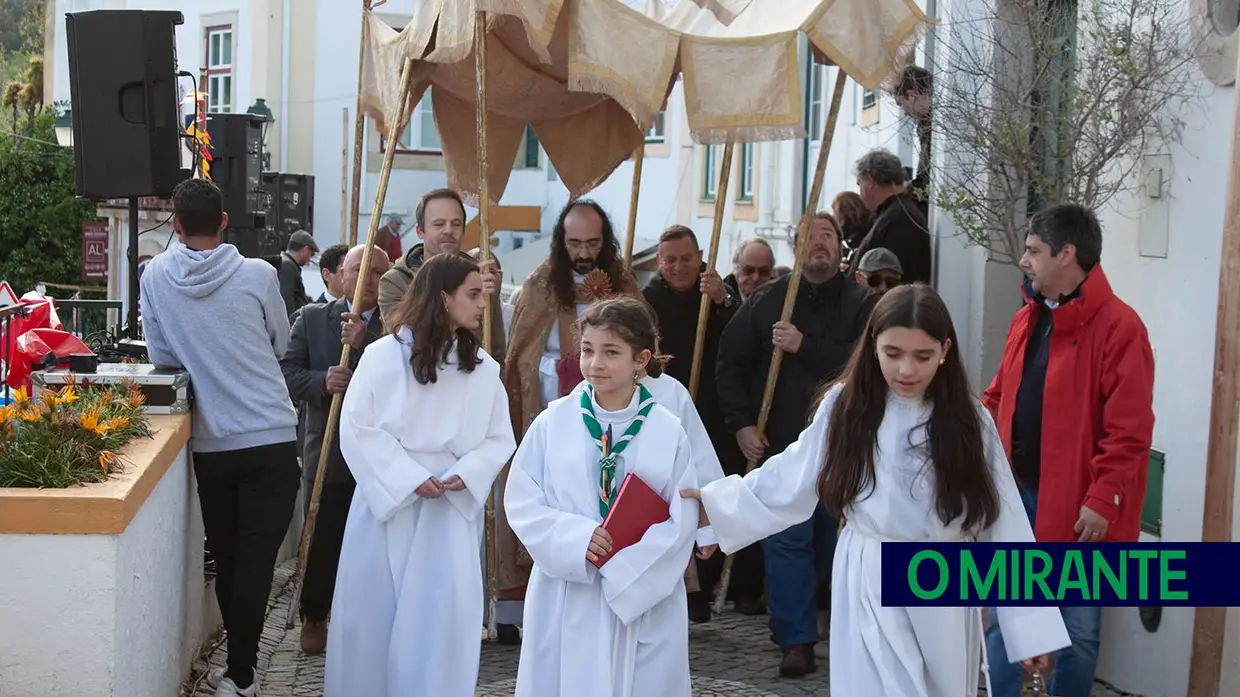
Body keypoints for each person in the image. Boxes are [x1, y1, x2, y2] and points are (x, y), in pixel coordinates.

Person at [685, 284, 1071, 695]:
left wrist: (1034, 629)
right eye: (893, 354)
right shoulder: (847, 406)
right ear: (873, 346)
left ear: (944, 350)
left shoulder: (969, 420)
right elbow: (791, 476)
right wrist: (715, 507)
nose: (906, 370)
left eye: (922, 356)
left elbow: (1004, 520)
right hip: (870, 572)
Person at [324, 252, 516, 697]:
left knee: (441, 622)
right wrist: (408, 477)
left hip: (448, 510)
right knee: (373, 618)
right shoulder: (381, 357)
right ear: (444, 297)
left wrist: (464, 475)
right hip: (387, 509)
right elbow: (356, 427)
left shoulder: (484, 368)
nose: (482, 303)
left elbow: (498, 437)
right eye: (472, 294)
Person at [982, 203, 1155, 697]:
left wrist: (1101, 499)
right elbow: (998, 397)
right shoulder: (1025, 320)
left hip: (1081, 515)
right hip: (1017, 501)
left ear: (1067, 255)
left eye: (1034, 250)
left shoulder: (1122, 329)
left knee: (1076, 633)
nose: (1024, 260)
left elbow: (1130, 429)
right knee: (1004, 621)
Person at [140, 178, 300, 697]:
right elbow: (281, 340)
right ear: (225, 221)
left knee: (229, 560)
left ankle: (240, 671)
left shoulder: (154, 277)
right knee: (255, 562)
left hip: (212, 442)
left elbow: (161, 356)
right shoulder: (258, 273)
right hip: (271, 435)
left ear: (177, 225)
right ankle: (242, 673)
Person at [505, 297, 699, 696]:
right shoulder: (553, 421)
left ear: (641, 359)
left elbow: (682, 517)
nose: (595, 363)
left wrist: (627, 572)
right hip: (569, 589)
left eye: (611, 352)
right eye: (588, 350)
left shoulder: (667, 430)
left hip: (638, 595)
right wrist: (576, 539)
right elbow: (523, 499)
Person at [715, 211, 875, 676]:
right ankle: (796, 638)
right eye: (808, 237)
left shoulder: (862, 304)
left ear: (841, 247)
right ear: (796, 247)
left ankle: (824, 624)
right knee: (786, 541)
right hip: (784, 445)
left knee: (831, 544)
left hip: (842, 446)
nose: (818, 244)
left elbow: (862, 366)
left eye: (826, 236)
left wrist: (804, 345)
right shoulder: (768, 301)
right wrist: (742, 424)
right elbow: (729, 362)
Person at [496, 199, 643, 641]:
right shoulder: (542, 283)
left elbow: (644, 341)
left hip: (614, 412)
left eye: (593, 243)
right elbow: (521, 353)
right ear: (562, 242)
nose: (583, 253)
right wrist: (558, 371)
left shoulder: (624, 282)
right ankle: (527, 603)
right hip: (551, 408)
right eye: (575, 243)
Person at [279, 244, 392, 654]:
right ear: (342, 273)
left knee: (374, 543)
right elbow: (287, 373)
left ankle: (369, 618)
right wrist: (322, 382)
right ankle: (315, 614)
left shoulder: (396, 326)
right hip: (329, 450)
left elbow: (410, 374)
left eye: (380, 272)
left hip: (381, 454)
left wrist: (369, 340)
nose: (370, 280)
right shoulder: (311, 319)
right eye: (362, 270)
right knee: (324, 537)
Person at [640, 224, 737, 621]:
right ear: (659, 261)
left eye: (686, 258)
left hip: (711, 407)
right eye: (670, 260)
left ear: (700, 257)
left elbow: (744, 339)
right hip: (666, 405)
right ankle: (680, 583)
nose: (678, 267)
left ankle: (708, 580)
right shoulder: (647, 300)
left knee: (708, 486)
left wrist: (725, 300)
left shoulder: (716, 294)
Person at [377, 189, 504, 362]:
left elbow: (495, 349)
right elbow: (406, 339)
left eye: (456, 223)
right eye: (439, 224)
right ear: (420, 231)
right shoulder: (395, 281)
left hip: (471, 380)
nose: (448, 230)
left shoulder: (481, 277)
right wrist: (465, 297)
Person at [846, 149, 931, 285]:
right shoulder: (896, 213)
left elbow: (894, 278)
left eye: (859, 184)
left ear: (870, 182)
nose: (860, 192)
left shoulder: (899, 219)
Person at [280, 229, 318, 316]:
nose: (310, 258)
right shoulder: (288, 266)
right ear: (305, 250)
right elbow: (286, 298)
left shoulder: (286, 263)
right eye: (311, 254)